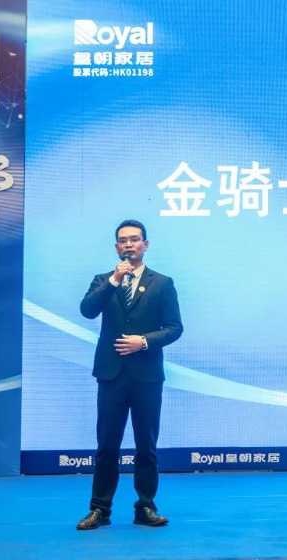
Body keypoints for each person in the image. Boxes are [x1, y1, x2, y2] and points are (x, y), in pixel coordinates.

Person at [76, 219, 183, 530]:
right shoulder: (103, 280)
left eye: (135, 239)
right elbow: (87, 310)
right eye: (123, 240)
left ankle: (145, 507)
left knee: (146, 446)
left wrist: (144, 341)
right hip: (111, 374)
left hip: (147, 375)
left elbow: (174, 327)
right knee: (107, 445)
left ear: (145, 245)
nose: (129, 244)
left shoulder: (162, 283)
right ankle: (100, 509)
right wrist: (114, 279)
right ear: (116, 247)